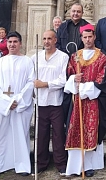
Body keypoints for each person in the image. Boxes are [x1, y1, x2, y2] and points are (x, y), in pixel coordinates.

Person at [0, 31, 35, 179]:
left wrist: (18, 101)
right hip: (2, 105)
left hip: (20, 105)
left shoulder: (28, 62)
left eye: (15, 42)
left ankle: (21, 164)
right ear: (7, 44)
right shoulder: (0, 62)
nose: (12, 45)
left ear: (20, 43)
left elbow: (31, 83)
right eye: (10, 42)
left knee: (20, 134)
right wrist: (6, 102)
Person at [64, 24, 106, 178]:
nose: (87, 40)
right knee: (75, 129)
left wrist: (84, 90)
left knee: (91, 130)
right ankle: (74, 166)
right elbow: (69, 75)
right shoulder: (75, 56)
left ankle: (89, 165)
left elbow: (102, 79)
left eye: (90, 36)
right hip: (76, 100)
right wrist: (74, 79)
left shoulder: (102, 57)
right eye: (84, 37)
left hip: (93, 101)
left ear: (94, 37)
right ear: (81, 38)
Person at [31, 30, 69, 175]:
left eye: (49, 39)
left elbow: (62, 80)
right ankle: (41, 163)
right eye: (44, 38)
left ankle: (61, 164)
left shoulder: (62, 57)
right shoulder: (36, 57)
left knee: (59, 133)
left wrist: (45, 84)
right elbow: (31, 77)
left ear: (55, 40)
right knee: (41, 134)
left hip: (55, 102)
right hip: (40, 102)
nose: (46, 41)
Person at [57, 3, 89, 124]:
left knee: (79, 91)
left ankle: (78, 120)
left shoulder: (86, 26)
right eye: (73, 11)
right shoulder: (63, 26)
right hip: (65, 63)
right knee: (66, 91)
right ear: (70, 12)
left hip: (81, 64)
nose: (75, 14)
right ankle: (65, 119)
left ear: (82, 13)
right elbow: (58, 43)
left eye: (78, 12)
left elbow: (89, 44)